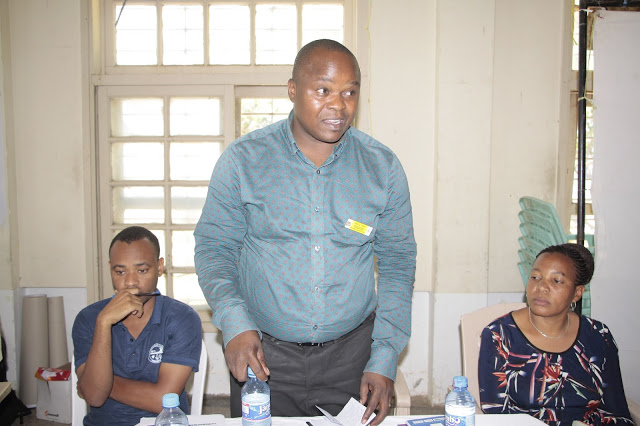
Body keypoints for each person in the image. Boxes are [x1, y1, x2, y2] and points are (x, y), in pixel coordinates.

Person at [194, 39, 416, 425]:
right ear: (293, 90)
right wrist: (233, 320)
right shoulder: (243, 161)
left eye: (349, 92)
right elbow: (214, 248)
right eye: (323, 90)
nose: (338, 105)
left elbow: (398, 263)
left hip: (352, 358)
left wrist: (383, 358)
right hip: (263, 355)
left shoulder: (382, 167)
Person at [478, 243, 635, 425]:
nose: (541, 287)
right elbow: (497, 415)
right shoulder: (500, 336)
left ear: (577, 293)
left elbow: (617, 412)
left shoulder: (599, 336)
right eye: (535, 277)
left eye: (556, 281)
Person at [72, 226, 202, 426]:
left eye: (142, 270)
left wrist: (100, 383)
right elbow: (95, 397)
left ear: (159, 267)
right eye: (120, 271)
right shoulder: (90, 319)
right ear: (110, 269)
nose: (130, 282)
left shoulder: (182, 318)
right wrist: (104, 323)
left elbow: (162, 401)